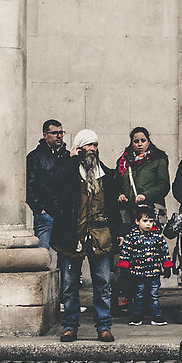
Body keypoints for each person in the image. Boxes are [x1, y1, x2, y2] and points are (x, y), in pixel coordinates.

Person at [59, 128, 127, 343]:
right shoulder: (68, 171)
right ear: (79, 147)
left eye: (95, 145)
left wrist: (118, 234)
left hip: (101, 235)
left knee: (103, 282)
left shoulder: (106, 176)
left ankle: (104, 326)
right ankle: (70, 326)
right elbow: (55, 184)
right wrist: (70, 160)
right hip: (72, 236)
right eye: (88, 145)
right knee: (69, 285)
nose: (92, 149)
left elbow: (114, 209)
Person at [116, 207, 172, 326]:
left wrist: (167, 266)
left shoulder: (157, 237)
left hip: (154, 272)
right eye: (145, 221)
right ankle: (137, 316)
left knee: (153, 295)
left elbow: (164, 252)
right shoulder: (131, 237)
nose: (148, 224)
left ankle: (157, 316)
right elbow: (125, 253)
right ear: (137, 221)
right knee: (139, 295)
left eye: (151, 221)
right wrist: (124, 268)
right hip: (138, 272)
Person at [26, 119, 73, 250]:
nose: (59, 136)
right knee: (42, 254)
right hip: (45, 214)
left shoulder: (66, 155)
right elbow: (29, 185)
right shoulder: (35, 157)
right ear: (45, 135)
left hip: (64, 214)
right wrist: (40, 209)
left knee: (65, 255)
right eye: (54, 133)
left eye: (61, 132)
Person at [116, 126, 170, 218]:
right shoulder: (123, 161)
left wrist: (146, 195)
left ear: (148, 142)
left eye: (143, 140)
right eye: (136, 141)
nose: (140, 144)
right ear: (131, 143)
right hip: (128, 212)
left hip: (150, 211)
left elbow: (164, 185)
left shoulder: (158, 159)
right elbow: (116, 182)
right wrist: (120, 194)